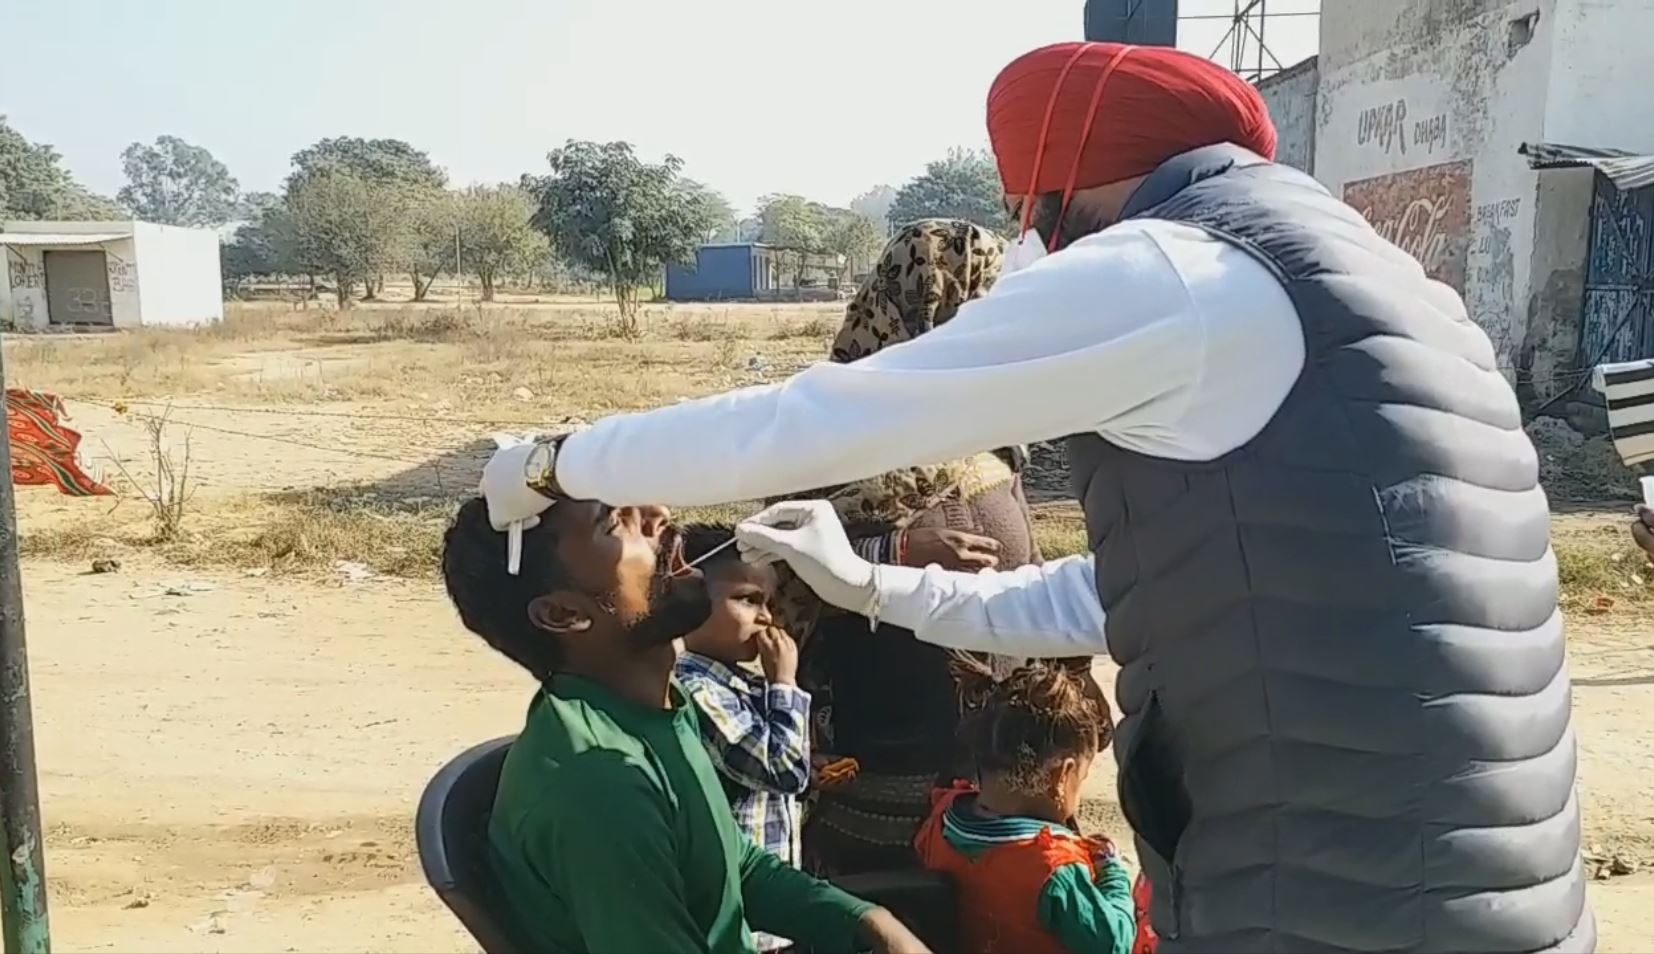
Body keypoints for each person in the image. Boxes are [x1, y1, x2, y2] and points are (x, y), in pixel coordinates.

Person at [480, 40, 1591, 953]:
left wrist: (559, 464)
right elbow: (1152, 594)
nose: (1027, 244)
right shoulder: (1390, 291)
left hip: (1346, 890)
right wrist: (870, 581)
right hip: (1478, 870)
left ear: (1057, 188)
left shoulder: (1171, 269)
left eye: (1027, 211)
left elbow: (816, 419)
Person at [439, 498, 927, 954]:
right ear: (565, 614)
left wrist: (872, 923)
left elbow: (733, 867)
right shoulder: (599, 784)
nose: (658, 515)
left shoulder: (656, 708)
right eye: (614, 525)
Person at [766, 219, 1102, 877]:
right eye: (983, 308)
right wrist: (896, 550)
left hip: (1003, 769)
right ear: (931, 307)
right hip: (879, 762)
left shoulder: (994, 432)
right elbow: (772, 571)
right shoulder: (829, 431)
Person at [914, 661, 1135, 954]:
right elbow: (1113, 944)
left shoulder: (943, 816)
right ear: (1062, 775)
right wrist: (1112, 873)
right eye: (1081, 778)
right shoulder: (1054, 868)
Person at [673, 526, 811, 951]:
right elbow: (782, 769)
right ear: (690, 600)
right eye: (748, 599)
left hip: (770, 920)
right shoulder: (694, 689)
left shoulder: (736, 686)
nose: (767, 617)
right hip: (741, 926)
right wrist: (784, 682)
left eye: (769, 603)